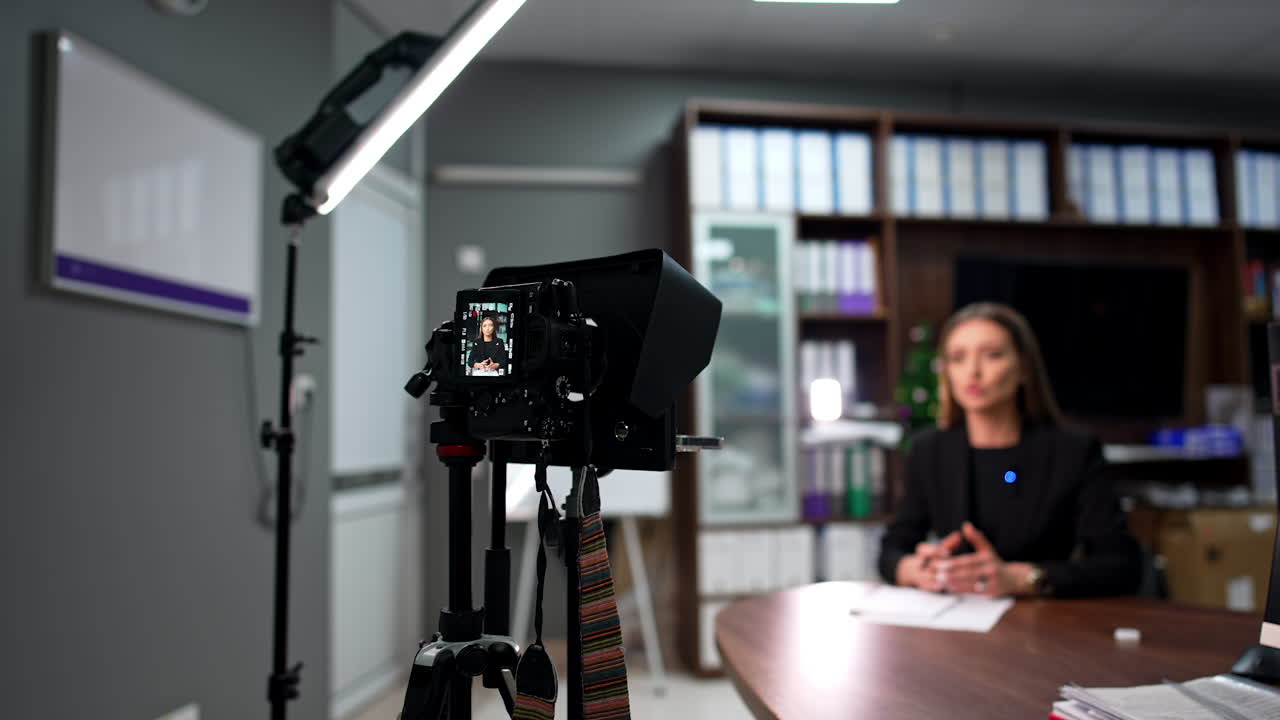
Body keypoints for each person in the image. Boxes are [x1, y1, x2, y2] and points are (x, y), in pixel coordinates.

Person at [878, 302, 1142, 598]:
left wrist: (1023, 578)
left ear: (1024, 367)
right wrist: (913, 569)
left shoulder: (1073, 451)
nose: (973, 372)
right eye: (957, 358)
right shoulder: (930, 450)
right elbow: (892, 548)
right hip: (956, 618)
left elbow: (1121, 565)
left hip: (1043, 622)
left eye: (992, 355)